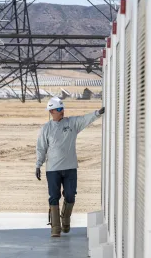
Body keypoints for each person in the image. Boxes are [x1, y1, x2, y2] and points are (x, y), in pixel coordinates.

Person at [35, 97, 105, 237]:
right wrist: (38, 165)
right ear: (52, 111)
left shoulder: (72, 123)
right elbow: (41, 148)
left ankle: (65, 220)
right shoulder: (46, 128)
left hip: (70, 168)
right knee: (54, 197)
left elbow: (85, 119)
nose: (62, 111)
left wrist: (97, 113)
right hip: (52, 170)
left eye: (62, 108)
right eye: (59, 109)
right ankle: (55, 228)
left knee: (70, 195)